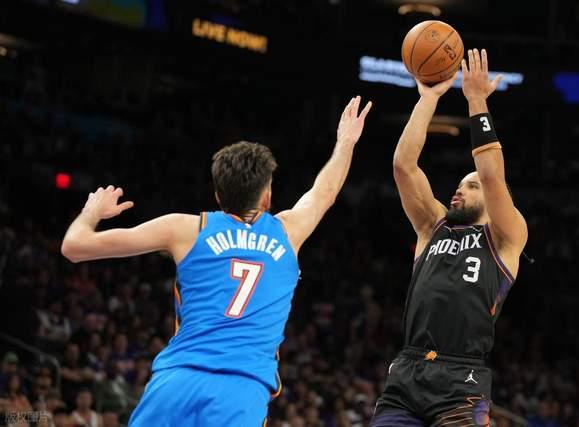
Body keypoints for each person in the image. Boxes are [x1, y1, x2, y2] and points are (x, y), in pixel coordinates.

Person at [61, 96, 372, 426]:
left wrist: (92, 211)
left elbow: (74, 247)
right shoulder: (288, 232)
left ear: (218, 195)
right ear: (267, 196)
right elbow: (325, 192)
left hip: (177, 381)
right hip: (242, 389)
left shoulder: (184, 228)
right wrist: (345, 142)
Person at [370, 49, 528, 426]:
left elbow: (491, 175)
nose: (459, 190)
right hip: (407, 370)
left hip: (463, 377)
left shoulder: (505, 236)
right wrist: (428, 98)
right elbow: (403, 166)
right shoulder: (433, 226)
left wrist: (476, 100)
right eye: (459, 184)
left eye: (470, 186)